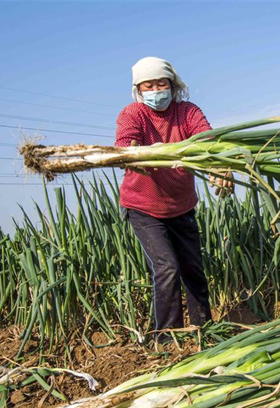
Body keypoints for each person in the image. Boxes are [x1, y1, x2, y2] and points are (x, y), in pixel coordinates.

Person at [115, 56, 232, 345]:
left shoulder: (187, 112)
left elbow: (208, 141)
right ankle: (167, 339)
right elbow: (124, 147)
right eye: (148, 85)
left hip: (181, 205)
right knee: (167, 267)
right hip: (143, 206)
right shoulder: (133, 114)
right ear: (139, 90)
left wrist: (221, 164)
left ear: (173, 85)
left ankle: (204, 331)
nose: (156, 90)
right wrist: (140, 154)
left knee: (193, 267)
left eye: (161, 83)